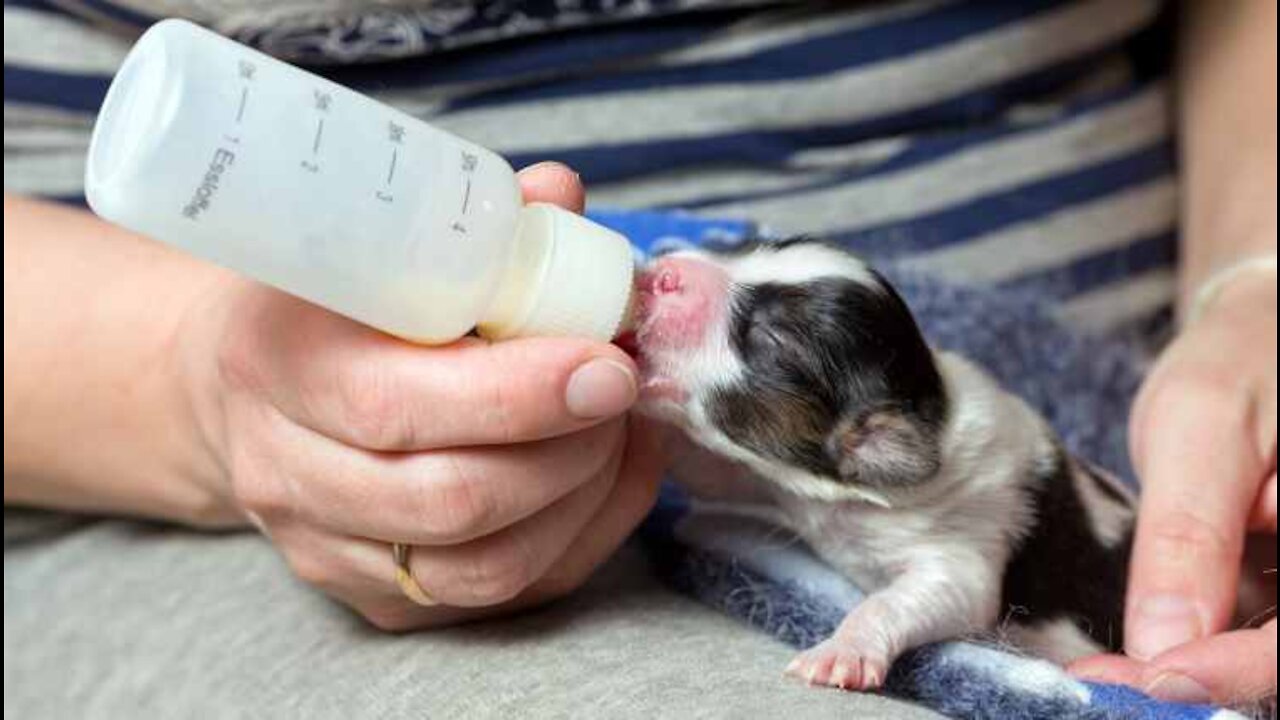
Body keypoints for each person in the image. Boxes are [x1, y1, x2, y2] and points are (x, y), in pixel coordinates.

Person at [4, 0, 1275, 713]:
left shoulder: (931, 486)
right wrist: (194, 381)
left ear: (867, 453)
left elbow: (946, 573)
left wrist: (1258, 278)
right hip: (130, 472)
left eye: (756, 311)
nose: (681, 285)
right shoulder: (823, 425)